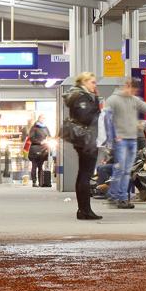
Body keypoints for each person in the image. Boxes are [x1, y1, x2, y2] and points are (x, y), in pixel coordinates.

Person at [103, 77, 146, 209]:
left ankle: (122, 198)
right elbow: (107, 119)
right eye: (134, 90)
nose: (134, 93)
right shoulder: (113, 100)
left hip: (132, 140)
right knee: (120, 169)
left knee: (127, 170)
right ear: (127, 85)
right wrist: (114, 136)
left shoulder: (134, 100)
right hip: (121, 141)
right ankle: (115, 197)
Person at [64, 72, 102, 220]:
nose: (95, 85)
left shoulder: (78, 95)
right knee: (86, 175)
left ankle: (83, 209)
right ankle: (85, 210)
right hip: (87, 139)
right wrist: (99, 111)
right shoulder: (81, 96)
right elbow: (86, 117)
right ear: (84, 82)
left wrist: (96, 99)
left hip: (81, 139)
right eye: (93, 82)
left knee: (83, 174)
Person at [23, 115, 51, 187]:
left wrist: (47, 141)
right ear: (39, 119)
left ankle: (40, 181)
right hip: (35, 149)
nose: (43, 119)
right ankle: (34, 182)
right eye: (42, 118)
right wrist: (40, 142)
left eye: (44, 118)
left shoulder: (45, 127)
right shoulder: (34, 128)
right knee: (35, 165)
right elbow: (31, 138)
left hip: (43, 149)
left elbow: (49, 136)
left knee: (40, 166)